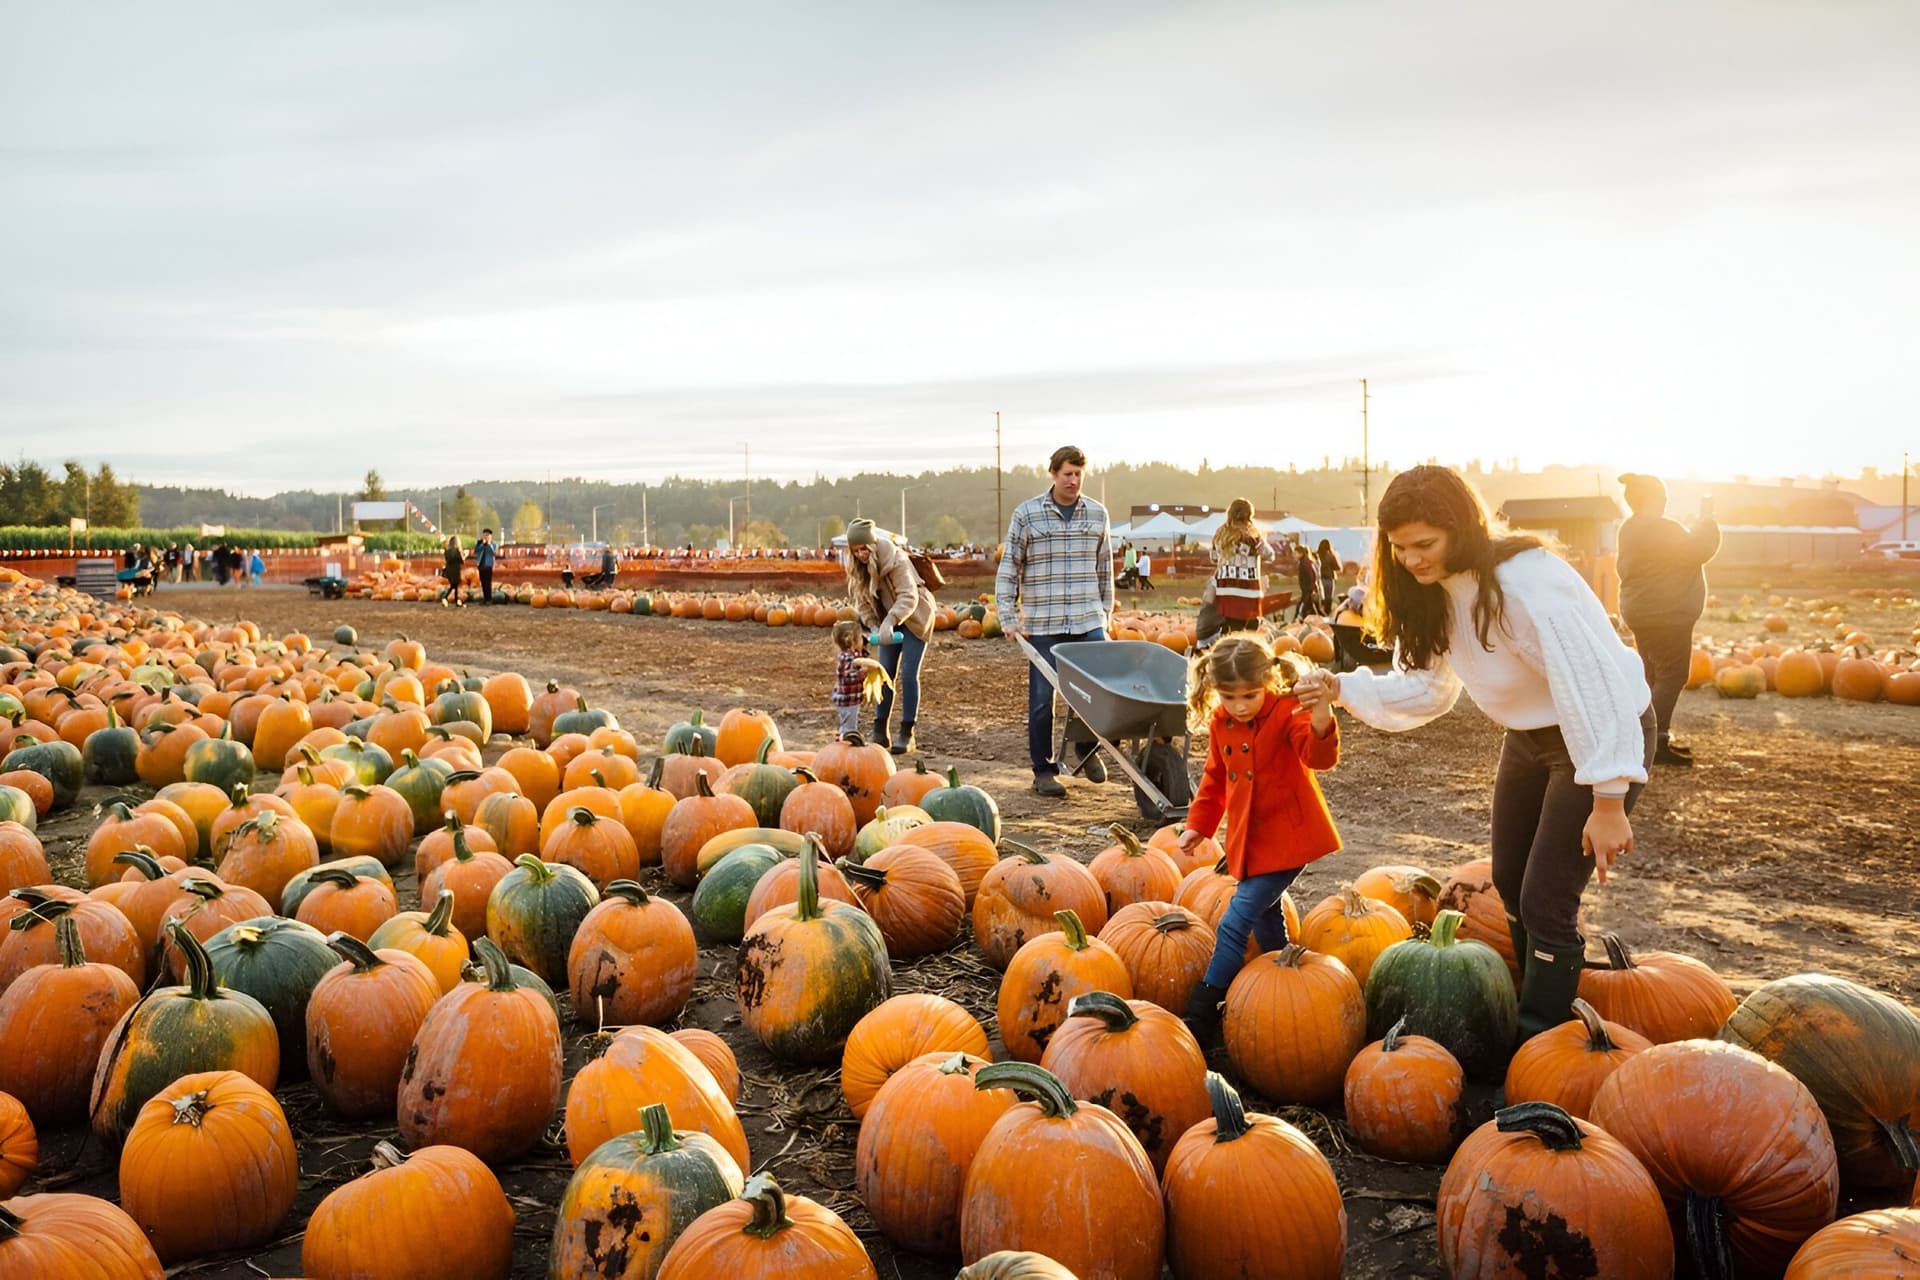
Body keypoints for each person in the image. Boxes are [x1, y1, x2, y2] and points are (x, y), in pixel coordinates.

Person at [1294, 465, 1654, 1038]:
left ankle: (1544, 1037)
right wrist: (1344, 688)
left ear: (1460, 528)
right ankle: (1528, 994)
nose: (1412, 560)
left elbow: (1593, 684)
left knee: (1546, 897)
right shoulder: (1434, 592)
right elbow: (1429, 689)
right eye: (1400, 548)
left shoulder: (1525, 582)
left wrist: (1609, 798)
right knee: (1510, 880)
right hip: (1532, 737)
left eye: (1425, 545)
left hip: (1600, 732)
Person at [1176, 633, 1340, 1044]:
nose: (1239, 706)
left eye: (1249, 695)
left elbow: (1317, 756)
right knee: (1266, 914)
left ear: (1268, 680)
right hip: (1251, 841)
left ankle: (1203, 1012)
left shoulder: (1287, 711)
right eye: (1228, 697)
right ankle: (1288, 974)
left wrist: (1321, 717)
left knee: (1235, 921)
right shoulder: (1221, 722)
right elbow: (1216, 778)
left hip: (1290, 839)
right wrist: (1199, 824)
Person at [995, 444, 1114, 798]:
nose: (1074, 481)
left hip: (1087, 616)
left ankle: (1086, 747)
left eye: (1078, 474)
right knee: (1042, 699)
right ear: (1053, 474)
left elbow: (1104, 568)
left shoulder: (1097, 514)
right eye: (1067, 474)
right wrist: (1007, 615)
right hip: (1043, 623)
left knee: (1101, 688)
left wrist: (1105, 614)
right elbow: (1009, 567)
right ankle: (1044, 770)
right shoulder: (1027, 514)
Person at [1617, 474, 1720, 767]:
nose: (1665, 502)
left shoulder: (1630, 528)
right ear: (1652, 498)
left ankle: (1642, 740)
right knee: (1673, 675)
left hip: (1640, 611)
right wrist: (1707, 521)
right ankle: (1655, 741)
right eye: (1662, 497)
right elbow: (1698, 550)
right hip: (1667, 613)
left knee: (1651, 676)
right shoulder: (1661, 528)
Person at [844, 518, 934, 754]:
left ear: (872, 545)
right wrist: (874, 625)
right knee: (884, 673)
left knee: (908, 673)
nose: (861, 554)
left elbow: (908, 596)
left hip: (915, 618)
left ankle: (907, 732)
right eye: (856, 550)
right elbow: (862, 602)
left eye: (864, 548)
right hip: (886, 623)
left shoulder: (896, 559)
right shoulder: (857, 569)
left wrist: (891, 621)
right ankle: (880, 730)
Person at [1210, 498, 1269, 633]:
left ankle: (1226, 650)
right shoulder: (1252, 535)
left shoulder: (1219, 535)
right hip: (1248, 589)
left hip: (1225, 589)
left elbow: (1213, 558)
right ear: (1249, 514)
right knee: (1250, 628)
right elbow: (1270, 555)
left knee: (1230, 626)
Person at [829, 620, 872, 739]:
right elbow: (848, 677)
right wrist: (863, 674)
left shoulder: (853, 655)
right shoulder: (847, 658)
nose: (863, 640)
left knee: (848, 724)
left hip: (850, 699)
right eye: (860, 638)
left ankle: (844, 741)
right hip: (847, 700)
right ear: (852, 642)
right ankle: (845, 743)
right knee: (849, 727)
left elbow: (862, 658)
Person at [1293, 539, 1320, 621]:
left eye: (1295, 553)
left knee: (1302, 607)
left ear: (1301, 553)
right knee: (1311, 608)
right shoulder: (1307, 562)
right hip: (1309, 589)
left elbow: (1310, 576)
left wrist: (1310, 589)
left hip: (1308, 590)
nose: (1294, 555)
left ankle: (1297, 620)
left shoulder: (1304, 564)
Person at [1315, 538, 1341, 616]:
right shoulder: (1331, 556)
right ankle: (1327, 611)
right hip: (1329, 578)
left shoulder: (1316, 555)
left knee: (1321, 596)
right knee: (1328, 597)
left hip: (1320, 578)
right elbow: (1337, 567)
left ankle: (1320, 611)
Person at [439, 536, 465, 607]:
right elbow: (462, 561)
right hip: (456, 570)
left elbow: (447, 560)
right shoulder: (457, 550)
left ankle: (456, 601)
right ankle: (445, 597)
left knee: (454, 586)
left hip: (449, 570)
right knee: (454, 585)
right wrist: (464, 556)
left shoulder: (447, 550)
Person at [474, 529, 497, 603]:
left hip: (489, 565)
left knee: (488, 583)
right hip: (481, 565)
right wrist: (482, 544)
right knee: (483, 583)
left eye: (487, 535)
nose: (486, 536)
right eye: (484, 535)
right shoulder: (480, 543)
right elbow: (476, 551)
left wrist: (488, 544)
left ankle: (489, 599)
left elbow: (493, 552)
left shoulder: (494, 544)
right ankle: (485, 598)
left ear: (490, 536)